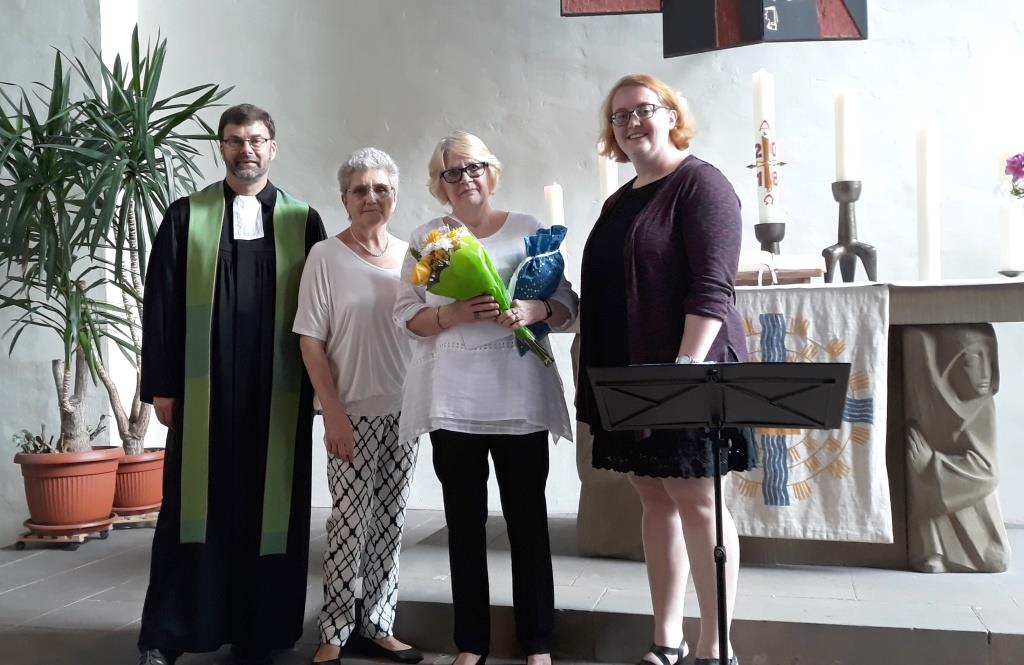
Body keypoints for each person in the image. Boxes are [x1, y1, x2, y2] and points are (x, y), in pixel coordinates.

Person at [576, 74, 756, 665]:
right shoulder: (620, 200)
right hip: (631, 374)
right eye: (620, 116)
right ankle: (666, 639)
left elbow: (713, 287)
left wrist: (683, 371)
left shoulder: (702, 185)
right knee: (653, 497)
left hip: (687, 371)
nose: (632, 123)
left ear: (672, 115)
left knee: (699, 503)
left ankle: (715, 647)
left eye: (643, 110)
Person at [138, 103, 326, 665]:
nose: (247, 149)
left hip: (277, 392)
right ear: (221, 147)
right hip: (205, 391)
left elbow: (322, 310)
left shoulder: (303, 221)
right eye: (236, 140)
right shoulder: (186, 216)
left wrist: (322, 386)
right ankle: (170, 633)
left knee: (271, 507)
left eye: (257, 140)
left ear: (273, 148)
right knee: (191, 508)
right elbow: (161, 303)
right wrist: (163, 386)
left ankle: (260, 631)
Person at [393, 131, 578, 665]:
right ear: (439, 183)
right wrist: (449, 313)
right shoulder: (428, 237)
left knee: (528, 522)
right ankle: (470, 642)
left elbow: (567, 301)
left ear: (490, 172)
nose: (465, 178)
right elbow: (405, 315)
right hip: (453, 400)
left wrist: (535, 311)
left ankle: (536, 641)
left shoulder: (529, 229)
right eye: (452, 171)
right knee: (464, 525)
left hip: (519, 398)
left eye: (473, 167)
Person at [293, 148, 423, 665]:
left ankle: (379, 623)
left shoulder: (413, 256)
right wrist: (333, 414)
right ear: (344, 199)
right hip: (351, 412)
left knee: (391, 520)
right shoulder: (325, 257)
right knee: (349, 522)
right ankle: (335, 628)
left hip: (405, 411)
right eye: (361, 189)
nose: (372, 197)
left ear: (395, 196)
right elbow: (310, 340)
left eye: (382, 188)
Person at [905, 324, 1010, 573]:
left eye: (989, 357)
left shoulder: (981, 408)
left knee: (995, 559)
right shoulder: (928, 399)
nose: (984, 372)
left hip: (973, 506)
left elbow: (987, 472)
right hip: (933, 503)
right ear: (949, 366)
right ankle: (931, 549)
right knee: (914, 454)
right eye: (972, 361)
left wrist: (931, 466)